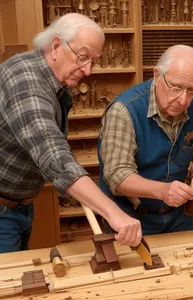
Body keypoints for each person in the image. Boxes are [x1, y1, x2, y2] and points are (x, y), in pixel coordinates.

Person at [0, 13, 142, 253]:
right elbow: (54, 155)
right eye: (82, 57)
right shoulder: (25, 82)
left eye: (93, 61)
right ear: (56, 46)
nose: (88, 70)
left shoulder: (55, 80)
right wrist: (113, 212)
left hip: (19, 204)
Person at [98, 45, 193, 235]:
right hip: (131, 218)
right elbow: (117, 174)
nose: (183, 100)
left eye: (191, 90)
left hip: (179, 216)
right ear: (157, 75)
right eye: (176, 88)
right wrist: (163, 191)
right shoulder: (124, 111)